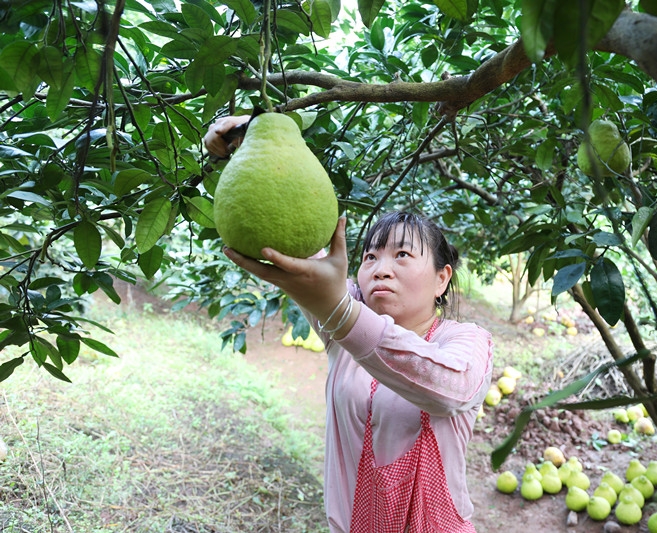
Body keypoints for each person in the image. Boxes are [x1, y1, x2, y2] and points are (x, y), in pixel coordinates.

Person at [205, 119, 494, 533]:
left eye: (402, 256)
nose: (381, 269)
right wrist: (237, 148)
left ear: (442, 277)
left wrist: (338, 312)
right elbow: (292, 228)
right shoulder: (345, 325)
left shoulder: (466, 342)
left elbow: (449, 390)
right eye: (370, 257)